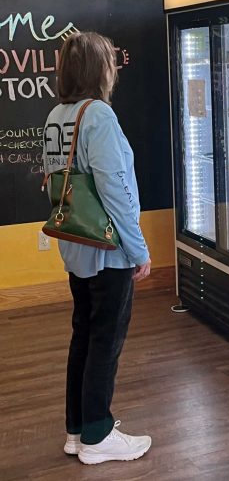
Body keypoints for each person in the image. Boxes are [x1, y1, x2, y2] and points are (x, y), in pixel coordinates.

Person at [42, 31, 152, 465]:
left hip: (76, 243)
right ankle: (98, 436)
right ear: (98, 70)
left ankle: (79, 429)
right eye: (110, 62)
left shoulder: (57, 114)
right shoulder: (99, 115)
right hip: (108, 249)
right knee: (107, 340)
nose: (114, 70)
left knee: (84, 335)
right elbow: (116, 189)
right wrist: (139, 248)